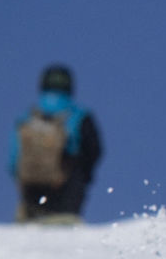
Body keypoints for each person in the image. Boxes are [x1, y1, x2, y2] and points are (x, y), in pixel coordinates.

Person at [10, 63, 104, 225]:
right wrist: (85, 178)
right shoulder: (79, 116)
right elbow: (94, 150)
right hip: (67, 196)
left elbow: (13, 160)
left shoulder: (28, 117)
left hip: (31, 195)